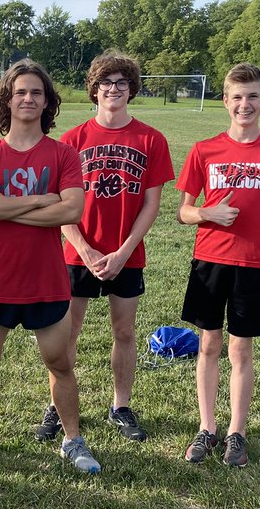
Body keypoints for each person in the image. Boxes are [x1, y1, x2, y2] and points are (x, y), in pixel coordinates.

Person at [0, 59, 100, 475]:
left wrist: (5, 207)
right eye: (20, 92)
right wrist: (39, 200)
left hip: (47, 282)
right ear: (7, 100)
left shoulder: (63, 153)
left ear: (48, 101)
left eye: (36, 92)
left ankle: (72, 440)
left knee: (60, 364)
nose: (28, 98)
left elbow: (72, 210)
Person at [34, 51, 174, 444]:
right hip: (78, 253)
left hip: (126, 254)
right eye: (106, 83)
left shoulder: (151, 139)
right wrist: (87, 249)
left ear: (132, 89)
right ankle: (58, 407)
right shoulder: (72, 140)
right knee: (66, 334)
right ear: (94, 90)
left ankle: (121, 405)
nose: (113, 89)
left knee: (124, 332)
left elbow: (151, 204)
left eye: (122, 83)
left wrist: (125, 250)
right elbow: (61, 205)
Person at [176, 63, 260, 468]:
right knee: (208, 345)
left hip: (254, 264)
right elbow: (184, 212)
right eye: (236, 97)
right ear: (225, 102)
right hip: (211, 261)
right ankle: (207, 427)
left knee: (240, 349)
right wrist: (207, 213)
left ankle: (237, 433)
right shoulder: (205, 149)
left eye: (252, 97)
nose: (244, 104)